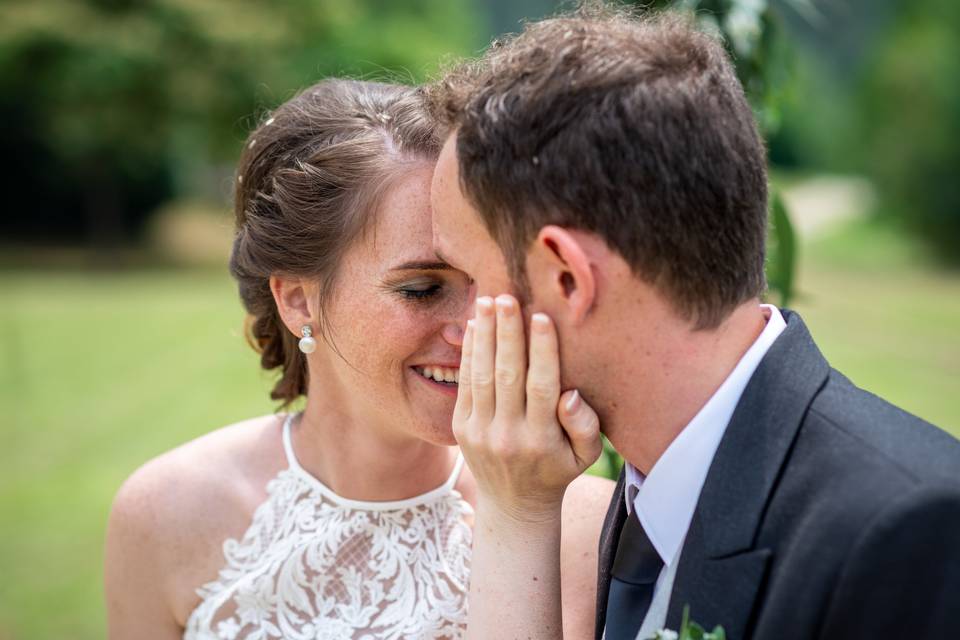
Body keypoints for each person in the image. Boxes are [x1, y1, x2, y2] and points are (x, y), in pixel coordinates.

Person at [427, 7, 960, 640]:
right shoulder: (644, 494)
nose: (457, 328)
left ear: (568, 277)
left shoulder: (910, 537)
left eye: (464, 279)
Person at [104, 79, 613, 640]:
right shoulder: (165, 516)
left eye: (491, 281)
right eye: (422, 288)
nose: (475, 328)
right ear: (298, 300)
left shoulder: (582, 526)